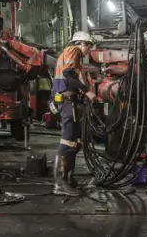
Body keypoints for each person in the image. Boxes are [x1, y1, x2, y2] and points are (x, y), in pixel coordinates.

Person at [51, 31, 96, 196]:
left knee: (75, 142)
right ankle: (60, 183)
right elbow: (68, 76)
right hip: (67, 102)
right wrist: (87, 91)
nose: (88, 50)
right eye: (88, 46)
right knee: (68, 141)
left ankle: (68, 179)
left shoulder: (67, 54)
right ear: (82, 43)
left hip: (67, 101)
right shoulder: (73, 51)